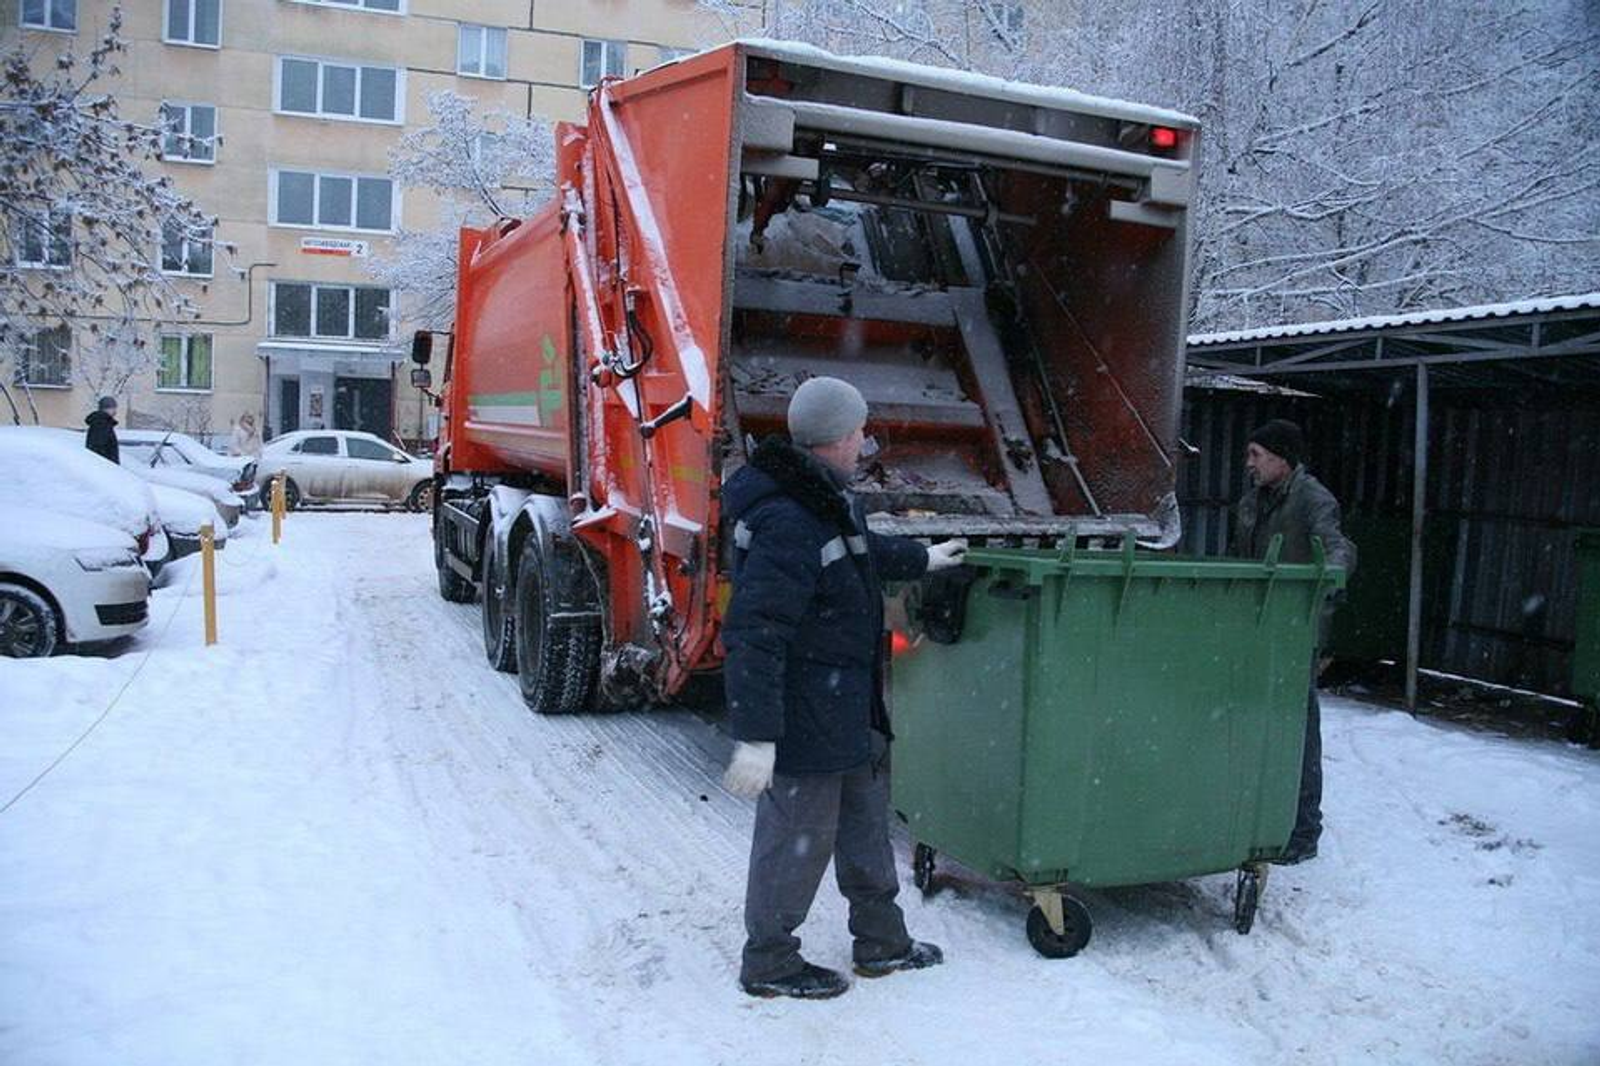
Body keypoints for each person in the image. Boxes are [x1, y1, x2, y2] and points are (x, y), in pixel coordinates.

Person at [721, 376, 968, 1000]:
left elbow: (860, 552)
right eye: (859, 432)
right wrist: (757, 736)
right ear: (834, 437)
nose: (865, 442)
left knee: (864, 825)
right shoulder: (788, 518)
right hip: (805, 711)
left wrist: (924, 558)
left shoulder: (826, 499)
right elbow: (755, 632)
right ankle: (770, 961)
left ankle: (882, 942)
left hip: (847, 702)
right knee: (795, 839)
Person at [1232, 419, 1357, 865]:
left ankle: (1303, 831)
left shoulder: (1312, 499)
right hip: (1256, 628)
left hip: (1295, 631)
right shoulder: (1252, 500)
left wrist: (1328, 582)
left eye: (1256, 455)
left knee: (1298, 730)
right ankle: (1254, 817)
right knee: (1252, 723)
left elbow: (1339, 549)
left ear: (1282, 457)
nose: (1249, 464)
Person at [84, 396, 119, 464]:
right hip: (104, 465)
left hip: (103, 465)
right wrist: (108, 465)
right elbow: (100, 447)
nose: (115, 411)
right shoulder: (101, 423)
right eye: (113, 408)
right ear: (106, 409)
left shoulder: (103, 422)